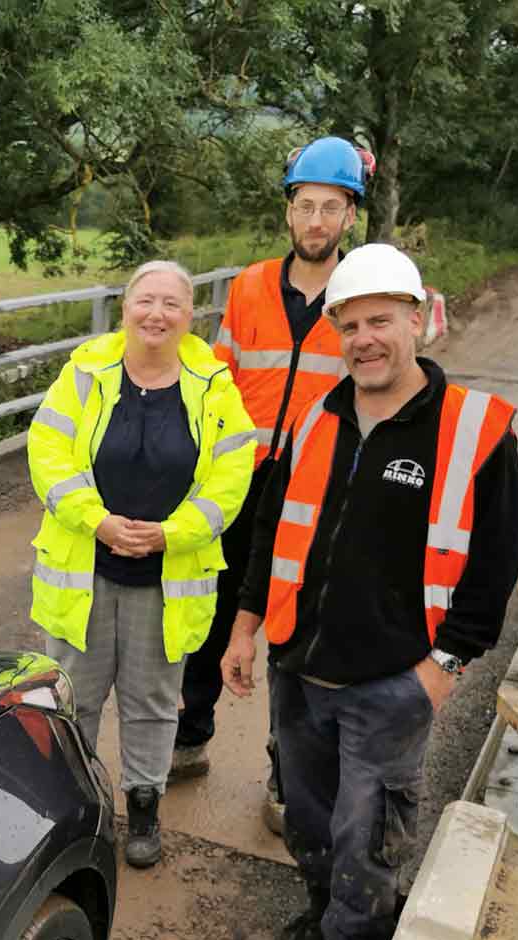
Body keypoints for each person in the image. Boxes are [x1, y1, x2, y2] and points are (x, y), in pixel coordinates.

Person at [220, 244, 518, 940]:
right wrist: (247, 626)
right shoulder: (316, 417)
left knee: (370, 837)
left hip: (393, 684)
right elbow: (266, 533)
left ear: (417, 320)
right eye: (349, 325)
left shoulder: (474, 430)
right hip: (299, 667)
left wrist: (443, 669)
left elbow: (496, 564)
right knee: (312, 820)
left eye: (380, 321)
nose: (364, 339)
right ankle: (324, 922)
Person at [173, 136, 373, 841]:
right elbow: (215, 382)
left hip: (316, 493)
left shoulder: (360, 298)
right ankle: (190, 735)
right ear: (289, 212)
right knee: (209, 613)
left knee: (298, 632)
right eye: (305, 205)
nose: (316, 220)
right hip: (237, 479)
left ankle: (289, 770)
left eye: (331, 207)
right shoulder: (250, 286)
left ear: (350, 215)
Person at [28, 259, 257, 868]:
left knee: (153, 703)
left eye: (172, 304)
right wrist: (95, 520)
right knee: (74, 699)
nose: (157, 314)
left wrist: (169, 534)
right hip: (85, 572)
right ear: (126, 307)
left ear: (190, 316)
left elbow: (232, 477)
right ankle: (74, 808)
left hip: (167, 577)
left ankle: (144, 807)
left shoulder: (213, 387)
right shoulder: (84, 373)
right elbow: (47, 450)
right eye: (145, 301)